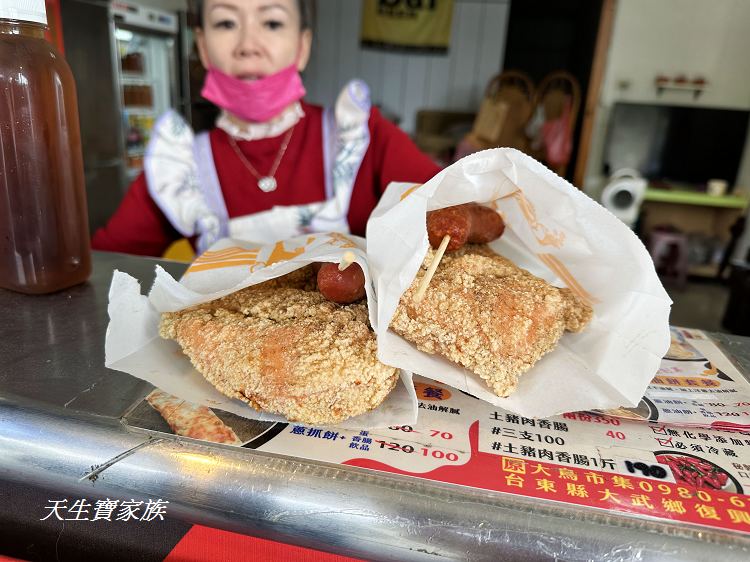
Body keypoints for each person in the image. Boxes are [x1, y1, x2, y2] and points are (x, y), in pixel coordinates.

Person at [92, 0, 441, 256]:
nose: (248, 46)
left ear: (302, 47)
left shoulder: (363, 138)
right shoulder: (180, 166)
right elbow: (107, 263)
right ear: (203, 48)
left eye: (272, 23)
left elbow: (451, 210)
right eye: (226, 23)